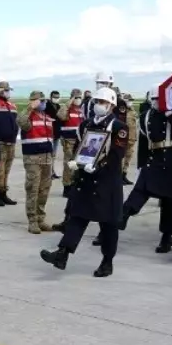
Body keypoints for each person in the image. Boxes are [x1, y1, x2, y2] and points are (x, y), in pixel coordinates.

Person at [39, 87, 128, 277]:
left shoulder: (119, 127)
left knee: (108, 224)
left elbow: (117, 154)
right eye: (96, 101)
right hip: (86, 179)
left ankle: (107, 261)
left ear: (111, 105)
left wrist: (98, 166)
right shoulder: (85, 124)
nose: (98, 105)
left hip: (106, 181)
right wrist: (76, 161)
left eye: (103, 102)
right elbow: (81, 147)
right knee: (77, 217)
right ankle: (62, 254)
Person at [119, 89, 172, 253]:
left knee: (170, 203)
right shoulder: (145, 116)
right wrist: (141, 164)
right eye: (155, 99)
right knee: (141, 189)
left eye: (161, 98)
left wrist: (170, 114)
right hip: (155, 158)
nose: (158, 101)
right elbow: (144, 142)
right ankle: (124, 215)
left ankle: (166, 238)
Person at [17, 90, 57, 234]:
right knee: (33, 189)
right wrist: (30, 107)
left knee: (44, 189)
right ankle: (32, 220)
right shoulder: (28, 117)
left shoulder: (46, 116)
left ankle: (41, 218)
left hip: (46, 158)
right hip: (33, 159)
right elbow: (21, 122)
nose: (44, 103)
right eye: (41, 101)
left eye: (44, 100)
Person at [0, 81, 18, 206]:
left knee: (7, 170)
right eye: (6, 90)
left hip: (11, 142)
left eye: (8, 90)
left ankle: (3, 193)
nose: (8, 92)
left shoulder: (12, 105)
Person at [58, 92, 83, 195]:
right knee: (68, 163)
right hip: (69, 140)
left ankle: (73, 183)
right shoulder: (67, 109)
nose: (78, 99)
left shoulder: (80, 110)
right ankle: (66, 185)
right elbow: (60, 115)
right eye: (76, 97)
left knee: (75, 164)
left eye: (79, 97)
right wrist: (69, 103)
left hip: (78, 140)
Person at [115, 89, 137, 185]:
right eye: (128, 100)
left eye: (131, 100)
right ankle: (119, 177)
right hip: (124, 139)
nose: (130, 102)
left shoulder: (132, 111)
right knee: (121, 159)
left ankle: (124, 175)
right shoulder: (121, 112)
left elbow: (134, 125)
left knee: (128, 158)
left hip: (131, 139)